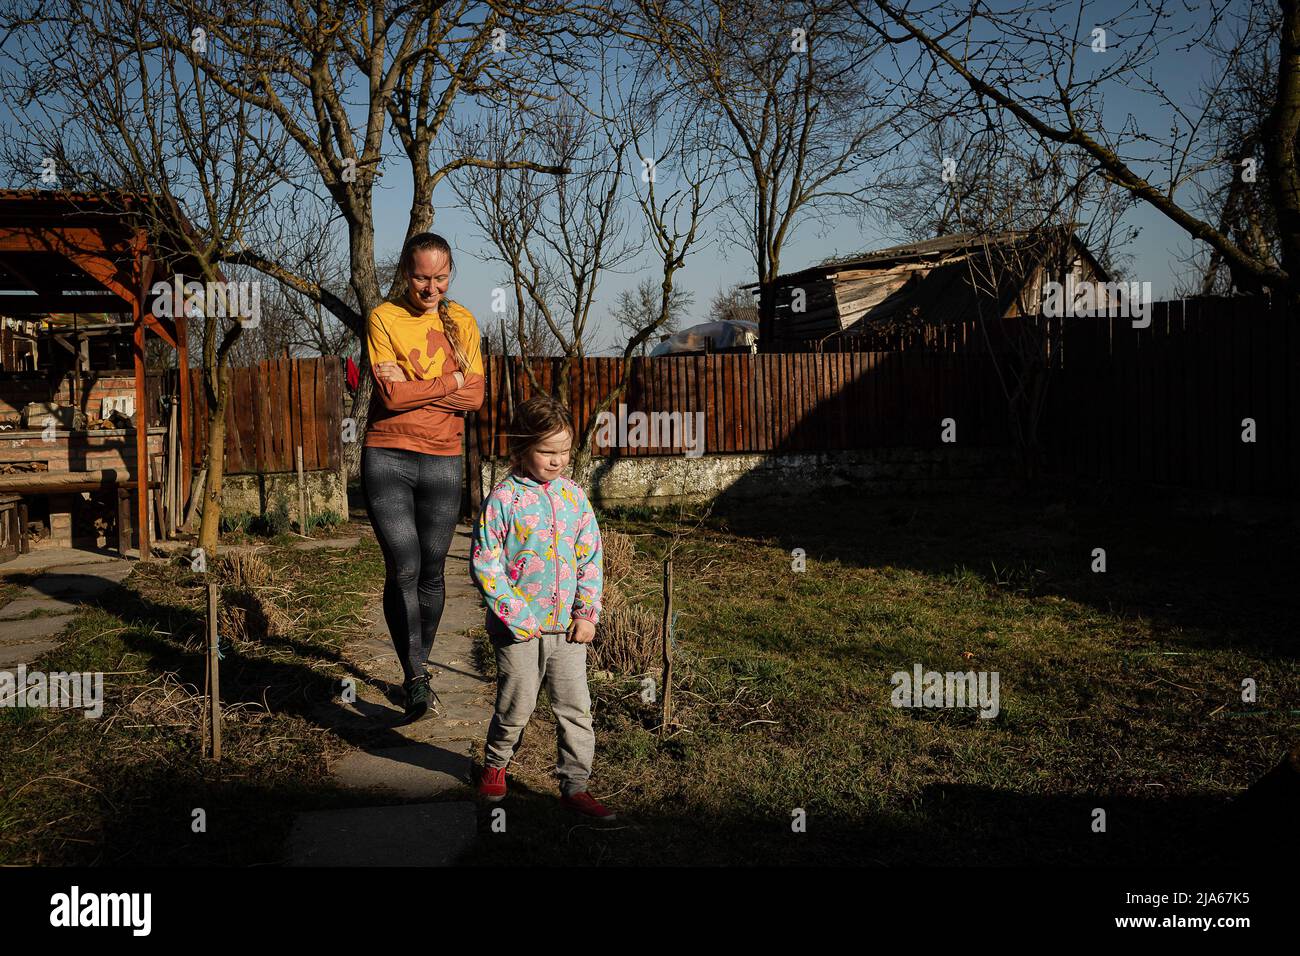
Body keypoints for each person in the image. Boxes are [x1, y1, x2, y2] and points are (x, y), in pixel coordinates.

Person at [469, 395, 615, 819]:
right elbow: (485, 561)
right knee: (516, 705)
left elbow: (591, 557)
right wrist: (515, 616)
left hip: (569, 631)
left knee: (575, 709)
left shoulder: (574, 498)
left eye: (564, 451)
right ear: (521, 449)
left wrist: (588, 614)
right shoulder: (503, 499)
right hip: (517, 631)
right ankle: (496, 765)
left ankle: (576, 785)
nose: (557, 461)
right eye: (546, 452)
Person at [363, 232, 484, 723]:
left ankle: (420, 663)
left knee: (434, 573)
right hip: (388, 456)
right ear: (404, 272)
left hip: (442, 459)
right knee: (405, 567)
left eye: (439, 277)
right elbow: (391, 399)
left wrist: (422, 389)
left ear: (450, 273)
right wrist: (450, 382)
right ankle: (415, 676)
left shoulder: (463, 322)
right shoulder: (383, 318)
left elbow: (475, 398)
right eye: (420, 277)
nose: (430, 287)